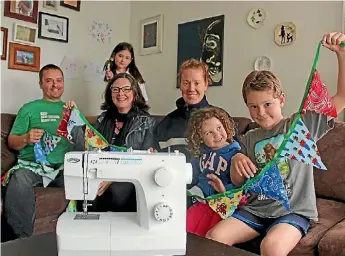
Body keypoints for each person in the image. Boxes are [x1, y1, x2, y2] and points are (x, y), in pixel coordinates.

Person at [206, 32, 345, 256]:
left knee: (271, 247)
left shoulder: (301, 125)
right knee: (214, 237)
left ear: (282, 99)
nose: (261, 113)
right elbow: (238, 180)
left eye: (267, 104)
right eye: (253, 106)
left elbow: (343, 96)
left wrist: (341, 54)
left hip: (293, 211)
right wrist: (237, 159)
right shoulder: (250, 138)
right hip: (255, 208)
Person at [70, 72, 157, 212]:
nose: (120, 93)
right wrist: (73, 113)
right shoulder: (103, 119)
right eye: (115, 89)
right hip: (100, 172)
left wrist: (112, 178)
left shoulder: (146, 122)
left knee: (113, 194)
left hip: (130, 177)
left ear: (135, 92)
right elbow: (89, 143)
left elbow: (146, 159)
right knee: (85, 193)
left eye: (126, 89)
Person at [4, 64, 72, 238]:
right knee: (19, 178)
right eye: (49, 81)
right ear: (41, 84)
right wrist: (26, 138)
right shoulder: (28, 109)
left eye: (59, 80)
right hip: (32, 167)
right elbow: (12, 141)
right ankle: (20, 240)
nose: (55, 85)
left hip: (63, 168)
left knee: (88, 179)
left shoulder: (70, 110)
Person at [154, 59, 238, 191]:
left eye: (197, 83)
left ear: (206, 85)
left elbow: (238, 152)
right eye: (186, 83)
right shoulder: (166, 124)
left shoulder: (220, 118)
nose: (191, 88)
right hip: (174, 190)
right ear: (180, 85)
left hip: (214, 193)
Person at [186, 107, 240, 199]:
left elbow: (241, 184)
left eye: (219, 128)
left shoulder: (236, 153)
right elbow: (191, 175)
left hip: (223, 198)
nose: (217, 134)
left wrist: (224, 190)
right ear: (200, 138)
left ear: (225, 125)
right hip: (199, 195)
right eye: (209, 133)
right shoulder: (200, 153)